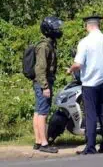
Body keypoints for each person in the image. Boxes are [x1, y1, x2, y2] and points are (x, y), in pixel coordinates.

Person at [68, 14, 103, 155]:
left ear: (87, 26)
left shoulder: (84, 42)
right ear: (98, 25)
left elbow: (78, 64)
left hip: (90, 84)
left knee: (91, 115)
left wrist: (70, 70)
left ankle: (90, 147)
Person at [33, 17, 63, 153]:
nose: (58, 30)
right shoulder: (44, 46)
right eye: (55, 28)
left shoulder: (48, 44)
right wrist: (45, 86)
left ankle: (38, 141)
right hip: (43, 82)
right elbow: (40, 69)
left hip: (42, 82)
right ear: (49, 30)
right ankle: (44, 144)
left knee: (38, 111)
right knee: (43, 112)